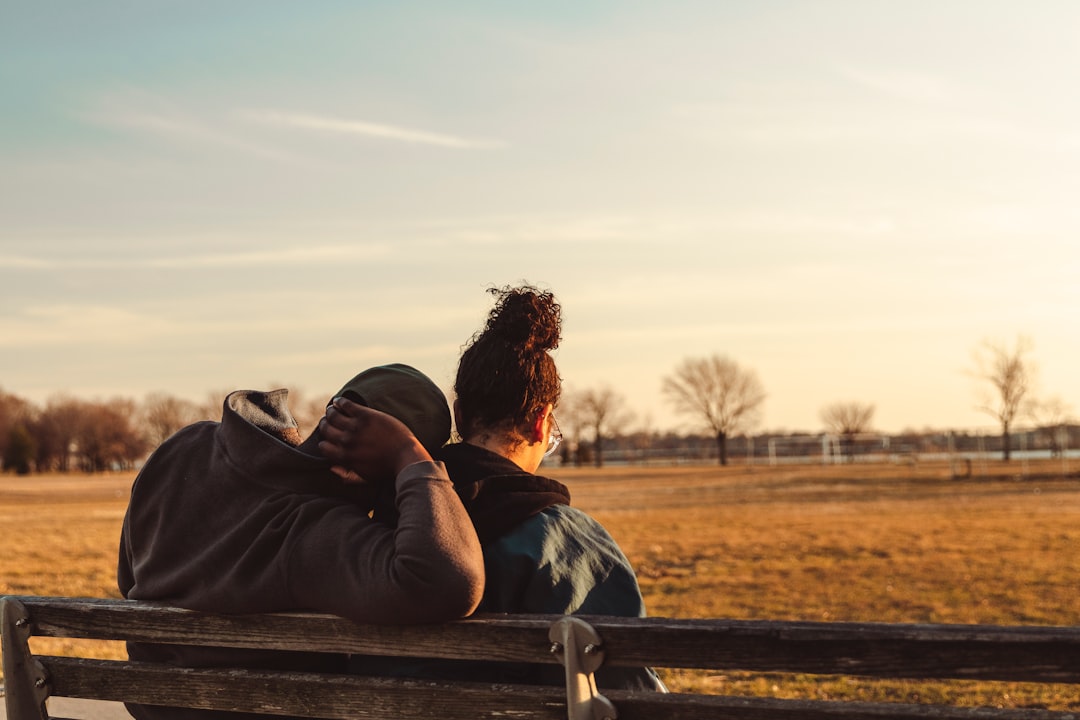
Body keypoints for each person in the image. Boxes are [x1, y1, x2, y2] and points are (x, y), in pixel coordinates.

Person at [117, 363, 484, 720]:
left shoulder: (183, 450)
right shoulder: (315, 532)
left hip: (152, 706)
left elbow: (129, 580)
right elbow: (451, 580)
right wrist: (409, 456)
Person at [346, 286, 665, 691]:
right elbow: (629, 689)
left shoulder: (379, 520)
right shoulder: (569, 543)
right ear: (541, 422)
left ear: (460, 415)